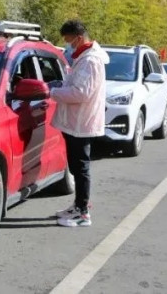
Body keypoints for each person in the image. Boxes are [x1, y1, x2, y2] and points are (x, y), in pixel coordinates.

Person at [49, 19, 109, 227]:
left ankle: (83, 213)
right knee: (75, 166)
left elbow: (80, 92)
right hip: (76, 121)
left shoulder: (91, 60)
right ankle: (78, 205)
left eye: (69, 40)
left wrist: (52, 92)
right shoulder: (83, 57)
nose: (68, 44)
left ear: (79, 38)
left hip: (81, 123)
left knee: (81, 168)